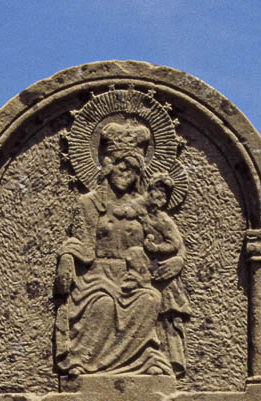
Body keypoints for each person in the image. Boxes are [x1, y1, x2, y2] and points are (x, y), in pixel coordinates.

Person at [54, 120, 173, 378]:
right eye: (120, 164)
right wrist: (65, 256)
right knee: (104, 303)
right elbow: (83, 247)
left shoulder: (145, 207)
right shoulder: (88, 203)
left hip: (133, 276)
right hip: (97, 277)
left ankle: (137, 361)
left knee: (151, 299)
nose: (124, 172)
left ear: (140, 172)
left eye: (131, 167)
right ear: (107, 165)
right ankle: (83, 361)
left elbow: (169, 238)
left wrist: (179, 260)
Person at [143, 172, 191, 378]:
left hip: (164, 277)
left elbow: (175, 244)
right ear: (149, 190)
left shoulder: (163, 219)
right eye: (157, 193)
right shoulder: (137, 213)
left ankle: (173, 362)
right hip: (144, 274)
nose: (160, 199)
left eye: (164, 196)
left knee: (167, 318)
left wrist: (155, 247)